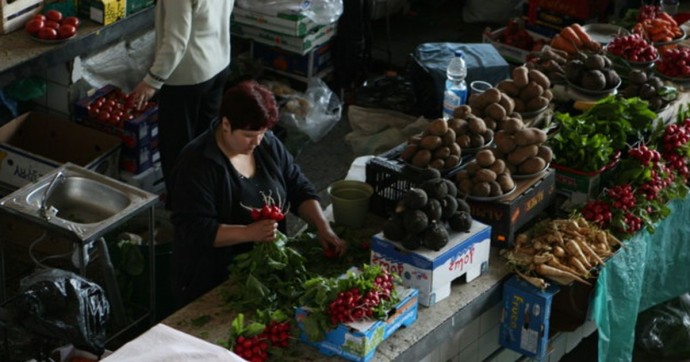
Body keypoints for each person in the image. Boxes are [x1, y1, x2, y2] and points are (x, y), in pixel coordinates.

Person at [167, 80, 347, 306]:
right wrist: (248, 233)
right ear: (225, 124)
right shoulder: (197, 164)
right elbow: (196, 230)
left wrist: (323, 227)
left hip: (265, 269)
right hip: (213, 279)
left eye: (262, 133)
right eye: (248, 135)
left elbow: (297, 185)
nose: (257, 142)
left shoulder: (266, 144)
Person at [129, 0, 233, 203]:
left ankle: (182, 209)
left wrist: (152, 81)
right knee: (207, 143)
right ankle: (206, 201)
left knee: (177, 149)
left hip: (189, 75)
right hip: (218, 62)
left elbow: (175, 42)